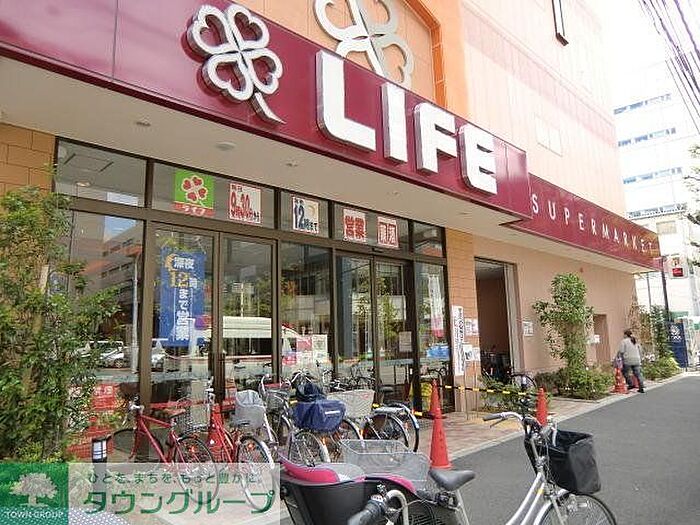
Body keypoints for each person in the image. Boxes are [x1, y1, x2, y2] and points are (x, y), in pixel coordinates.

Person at [617, 329, 645, 393]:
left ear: (625, 335)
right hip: (637, 359)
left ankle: (631, 384)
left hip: (628, 360)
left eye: (624, 334)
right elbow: (640, 350)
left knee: (625, 372)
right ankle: (641, 387)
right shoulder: (635, 341)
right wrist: (640, 358)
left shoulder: (624, 341)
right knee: (638, 374)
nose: (623, 336)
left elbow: (621, 351)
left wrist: (618, 357)